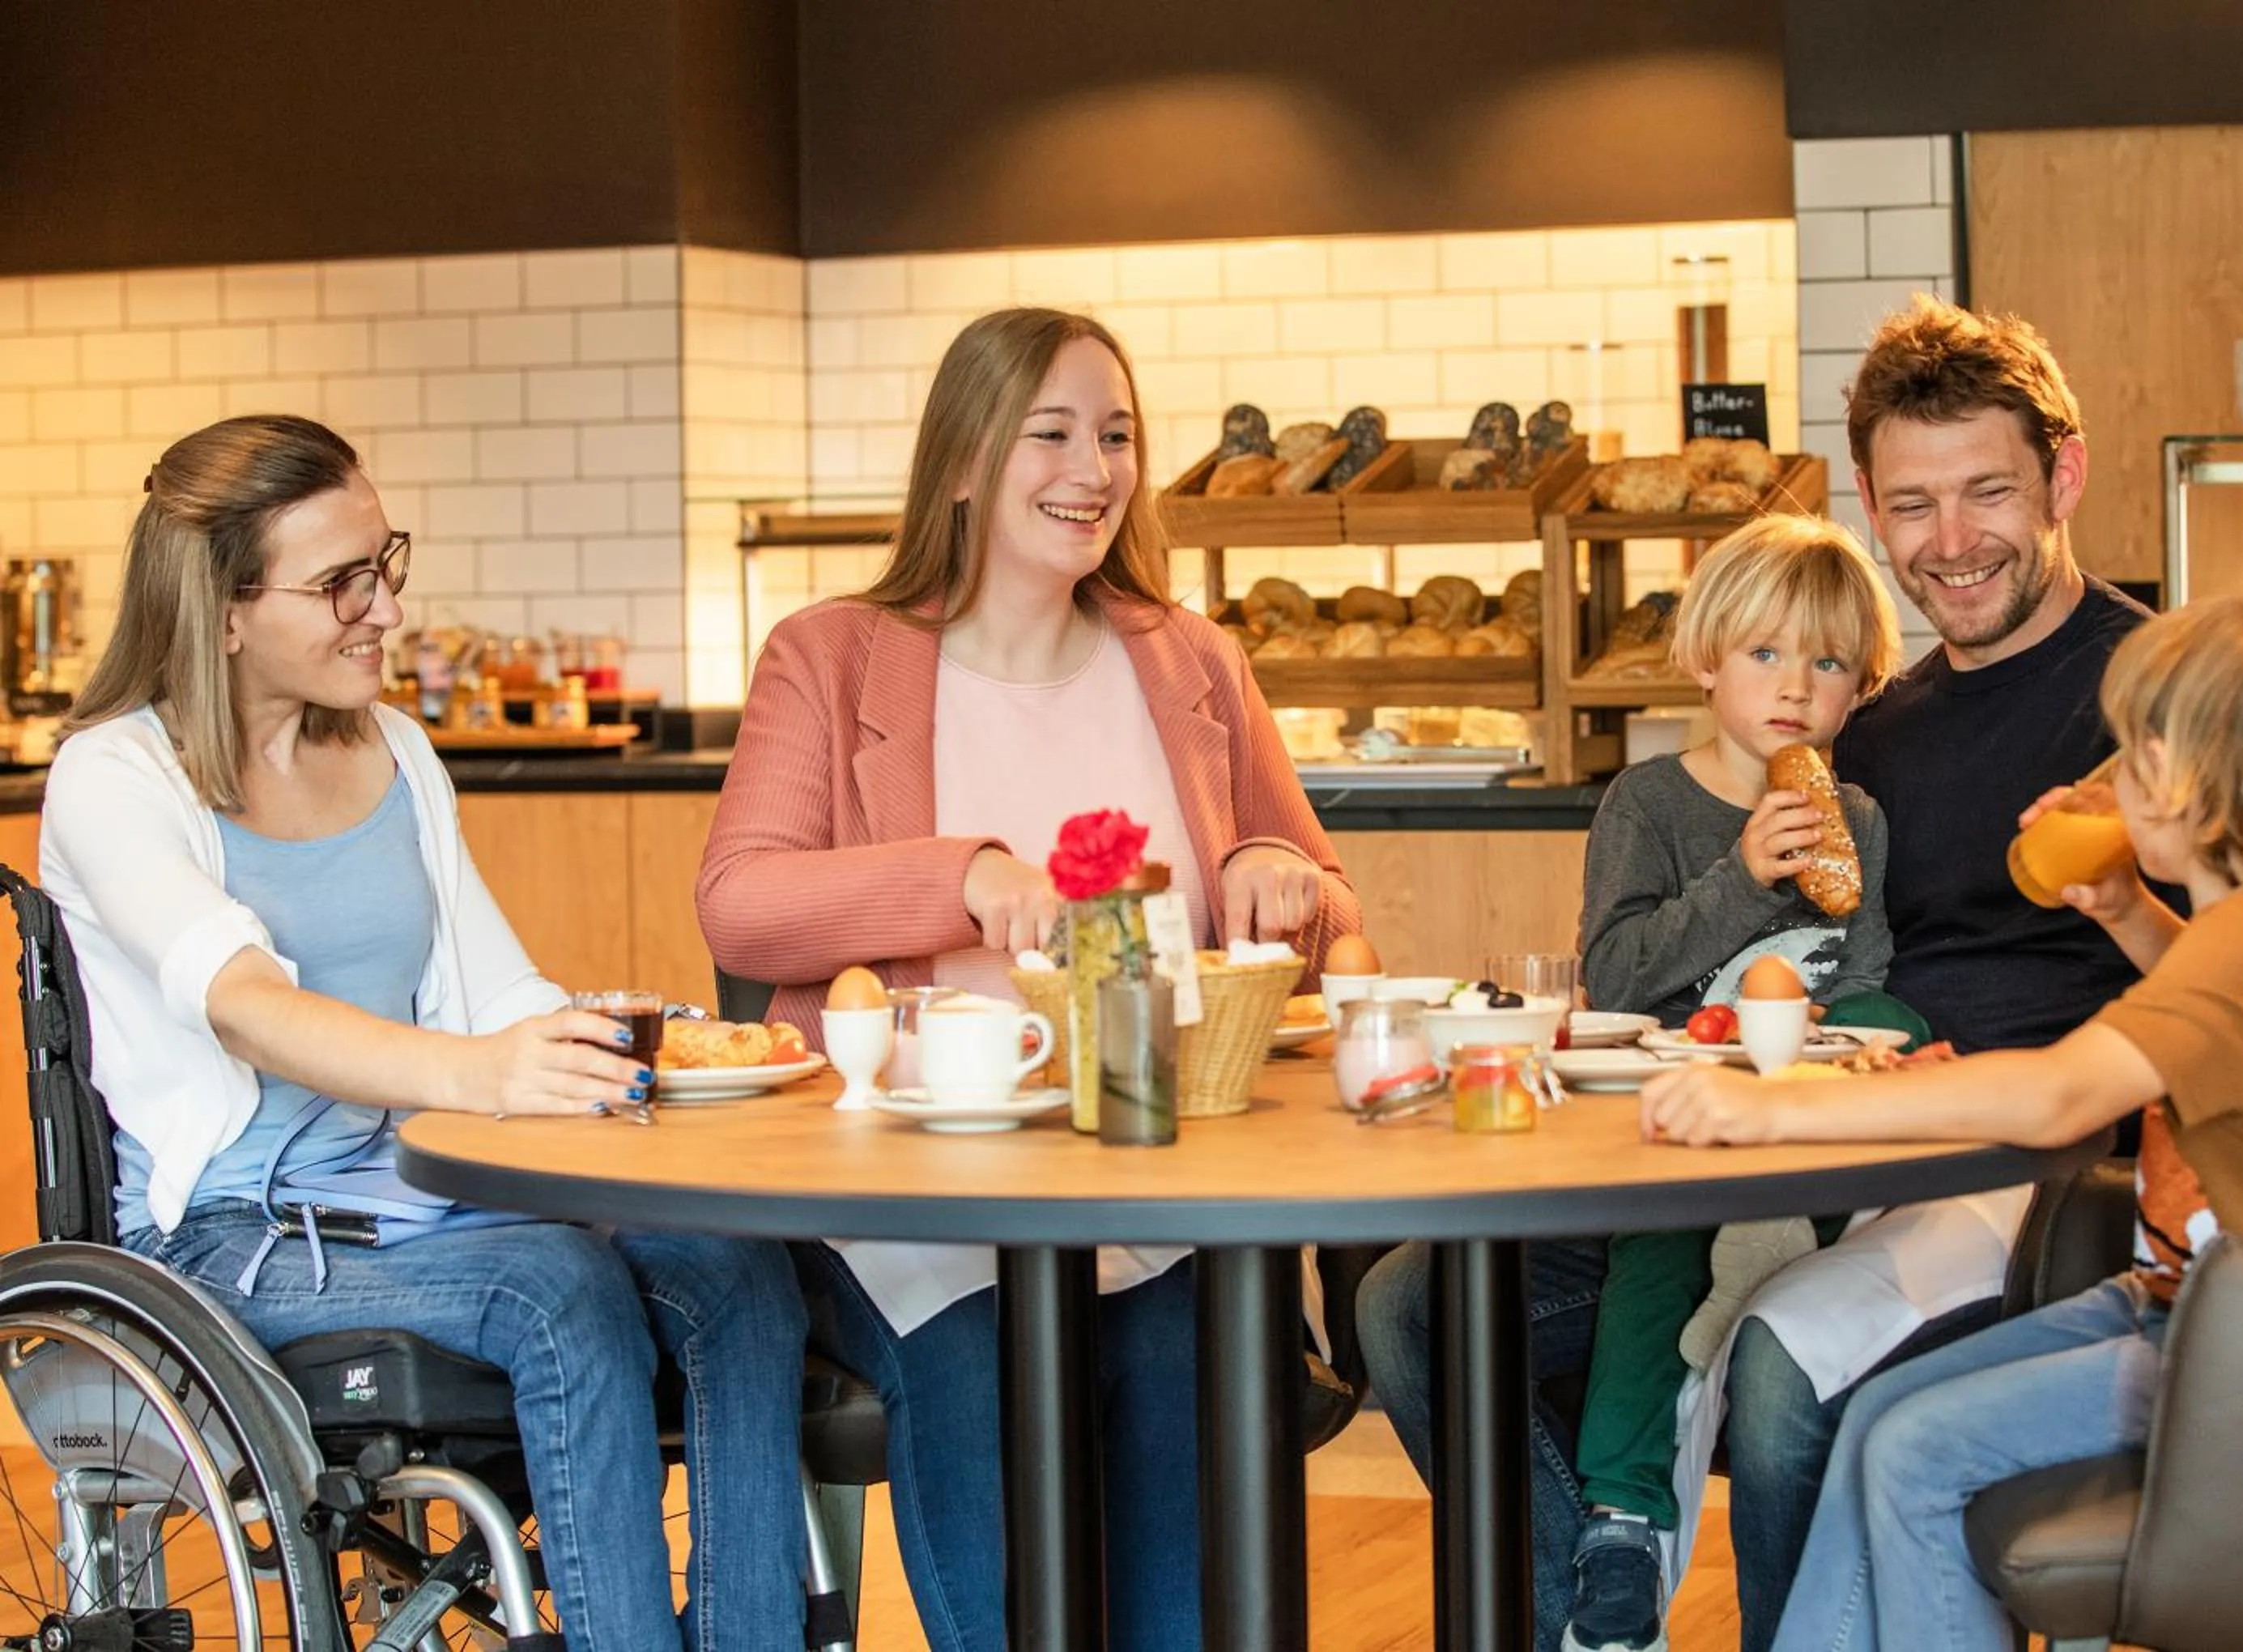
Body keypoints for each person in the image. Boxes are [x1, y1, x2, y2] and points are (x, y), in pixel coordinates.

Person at [1360, 296, 2159, 1651]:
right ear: (1869, 502)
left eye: (1989, 494)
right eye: (1912, 505)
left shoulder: (2155, 690)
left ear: (2064, 477)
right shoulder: (1856, 735)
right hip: (1806, 1143)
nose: (1950, 544)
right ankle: (1596, 1618)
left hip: (2029, 1165)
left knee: (1785, 1369)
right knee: (1414, 1308)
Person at [40, 415, 811, 1652]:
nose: (383, 608)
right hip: (233, 1231)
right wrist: (481, 1071)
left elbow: (490, 989)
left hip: (415, 1185)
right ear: (225, 609)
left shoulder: (394, 749)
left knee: (740, 1276)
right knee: (560, 1293)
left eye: (383, 562)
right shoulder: (112, 777)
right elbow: (245, 1004)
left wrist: (609, 1038)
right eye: (340, 582)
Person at [695, 306, 1360, 1651]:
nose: (1094, 467)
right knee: (987, 1381)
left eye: (1115, 435)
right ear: (962, 462)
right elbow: (741, 904)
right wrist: (970, 879)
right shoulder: (830, 660)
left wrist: (1280, 875)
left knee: (1192, 1551)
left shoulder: (1190, 660)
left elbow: (1331, 921)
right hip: (919, 1208)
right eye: (1050, 432)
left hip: (1153, 1183)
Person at [1643, 592, 2243, 1651]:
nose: (2112, 777)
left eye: (2134, 752)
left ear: (2200, 788)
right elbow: (2233, 1026)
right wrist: (2126, 910)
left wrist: (1770, 1108)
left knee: (1917, 1454)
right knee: (1876, 1419)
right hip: (2207, 1310)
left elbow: (2059, 1093)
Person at [1561, 515, 1905, 1652]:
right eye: (1765, 654)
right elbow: (1616, 976)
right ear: (1707, 659)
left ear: (1861, 686)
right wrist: (1745, 877)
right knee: (1654, 1262)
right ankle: (1620, 1514)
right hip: (1681, 1116)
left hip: (1795, 1117)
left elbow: (1861, 972)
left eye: (1827, 663)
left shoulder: (1856, 817)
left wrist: (1857, 1038)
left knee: (1897, 1017)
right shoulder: (1649, 806)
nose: (1795, 688)